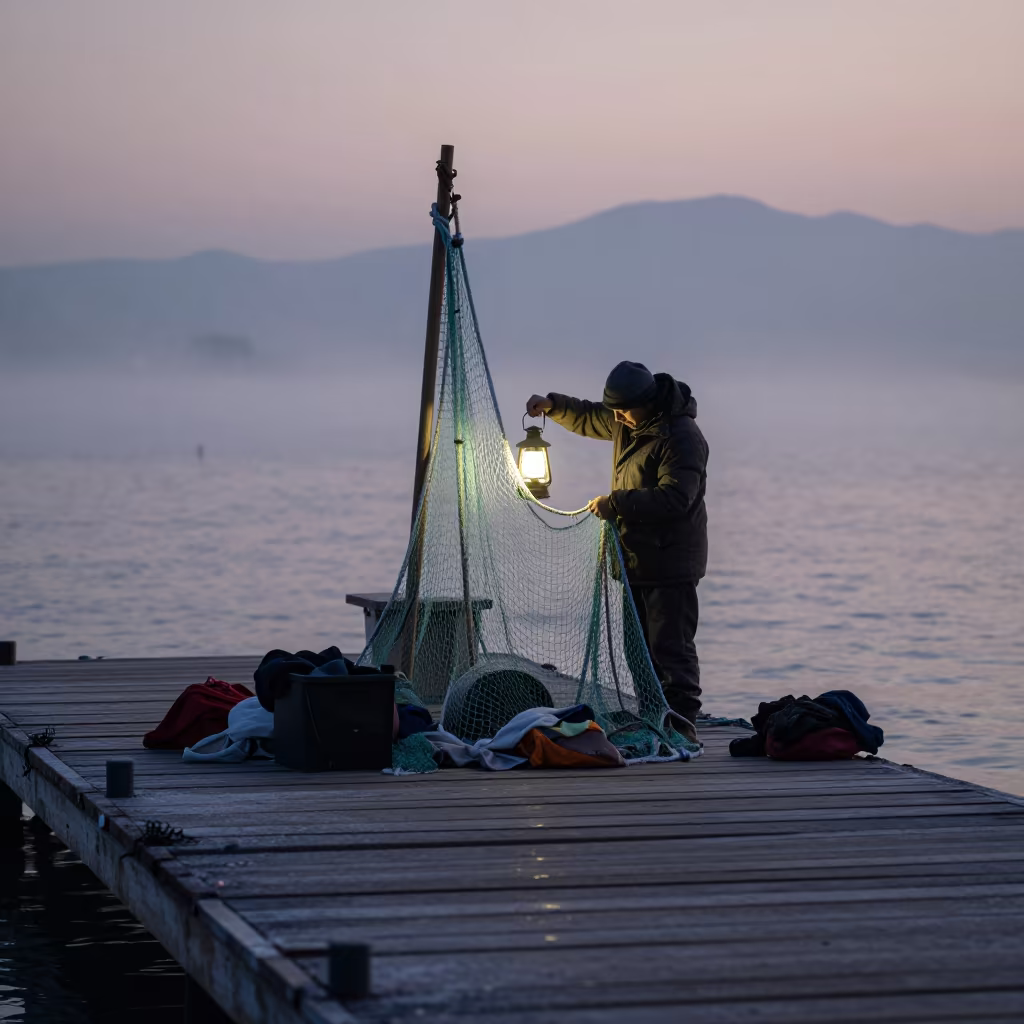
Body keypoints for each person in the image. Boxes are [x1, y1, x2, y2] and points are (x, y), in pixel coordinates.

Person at [527, 361, 709, 739]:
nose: (618, 418)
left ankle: (682, 725)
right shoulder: (627, 419)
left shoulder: (682, 436)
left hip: (670, 563)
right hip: (634, 561)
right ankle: (654, 716)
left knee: (670, 649)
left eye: (624, 411)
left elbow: (677, 498)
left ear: (648, 402)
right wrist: (553, 405)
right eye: (616, 411)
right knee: (638, 650)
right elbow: (591, 416)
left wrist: (618, 503)